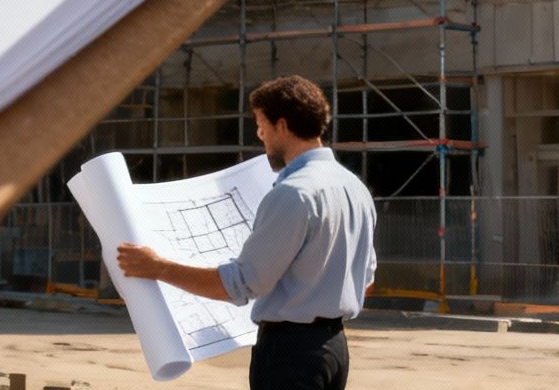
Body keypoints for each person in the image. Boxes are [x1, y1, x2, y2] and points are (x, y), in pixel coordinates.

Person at [116, 75, 375, 390]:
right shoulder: (353, 187)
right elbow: (368, 280)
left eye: (260, 123)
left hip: (291, 355)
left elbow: (240, 284)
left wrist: (156, 267)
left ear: (281, 125)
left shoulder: (294, 193)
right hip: (333, 348)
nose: (259, 134)